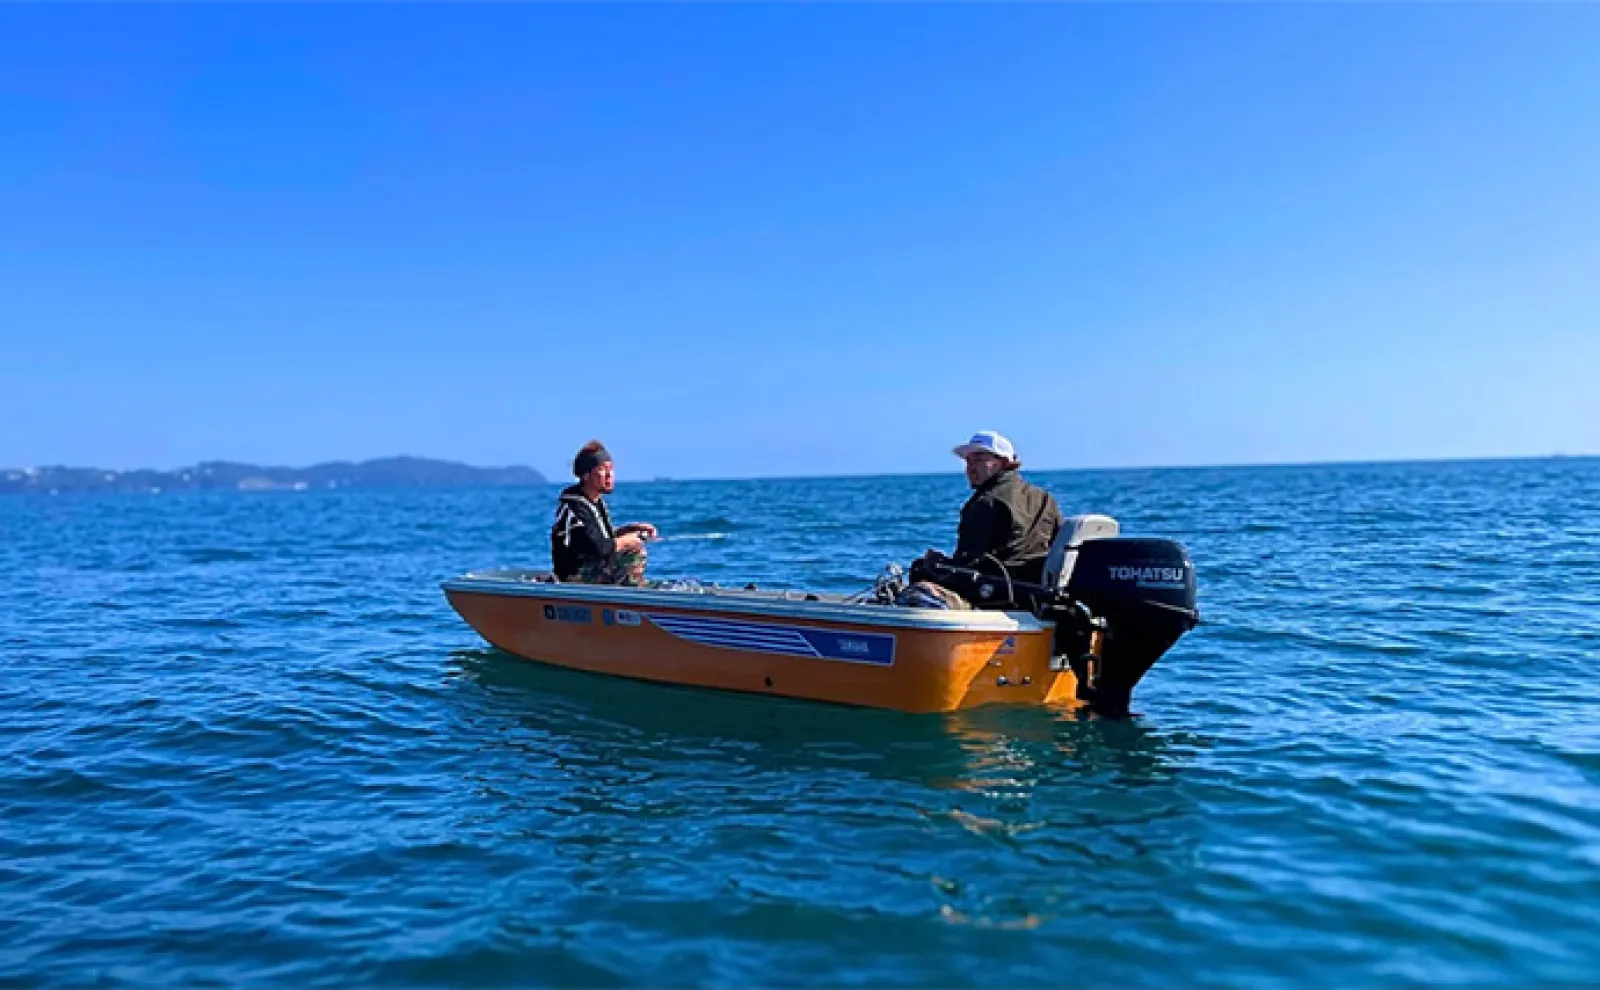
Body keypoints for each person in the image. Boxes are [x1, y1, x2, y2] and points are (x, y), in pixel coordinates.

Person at [904, 430, 1063, 608]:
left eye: (979, 460)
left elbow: (968, 562)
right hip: (1035, 588)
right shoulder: (1045, 499)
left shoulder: (987, 502)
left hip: (996, 589)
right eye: (968, 461)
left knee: (921, 568)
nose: (970, 468)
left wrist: (936, 562)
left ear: (1003, 462)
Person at [550, 441, 657, 584]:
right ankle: (631, 593)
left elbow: (600, 537)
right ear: (586, 475)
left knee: (630, 547)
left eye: (611, 469)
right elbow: (598, 547)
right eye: (602, 469)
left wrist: (632, 529)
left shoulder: (595, 502)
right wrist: (626, 541)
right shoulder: (575, 506)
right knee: (634, 551)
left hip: (593, 569)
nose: (609, 475)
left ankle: (631, 588)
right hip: (574, 577)